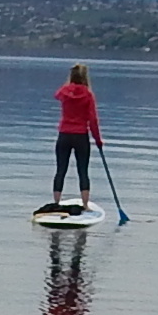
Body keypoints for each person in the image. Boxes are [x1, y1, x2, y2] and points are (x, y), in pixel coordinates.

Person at [48, 62, 102, 210]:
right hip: (81, 136)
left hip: (64, 135)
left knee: (60, 170)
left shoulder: (64, 92)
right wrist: (98, 140)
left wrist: (69, 85)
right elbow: (93, 120)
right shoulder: (88, 95)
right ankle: (85, 204)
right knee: (83, 171)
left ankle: (56, 203)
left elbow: (57, 94)